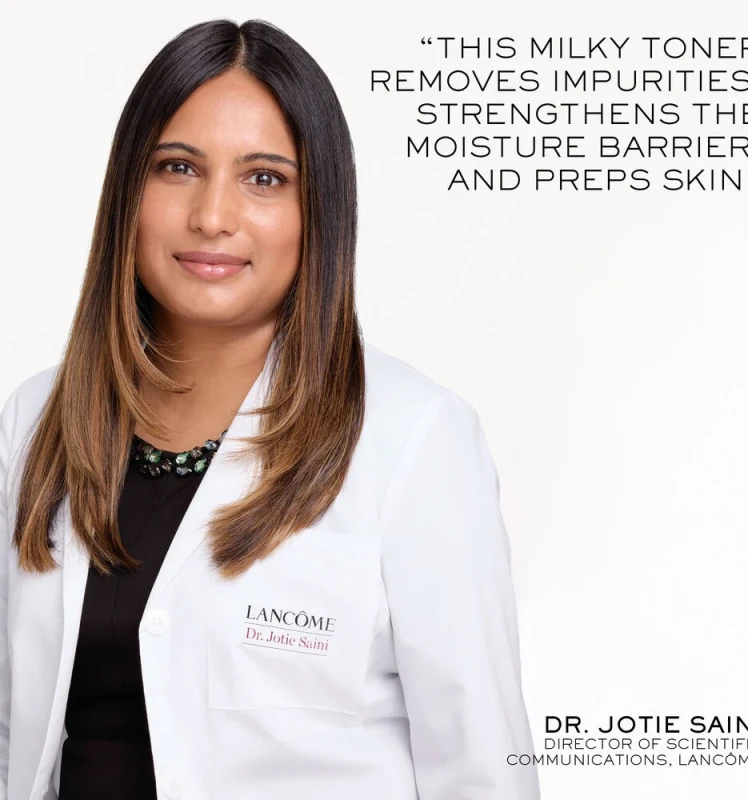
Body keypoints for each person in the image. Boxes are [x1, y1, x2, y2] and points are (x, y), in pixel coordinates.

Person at [0, 18, 540, 800]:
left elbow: (482, 769)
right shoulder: (36, 420)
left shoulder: (414, 438)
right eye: (178, 167)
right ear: (128, 193)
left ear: (318, 208)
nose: (212, 215)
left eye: (264, 179)